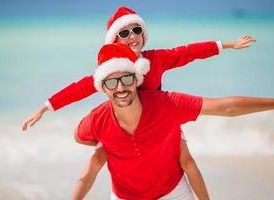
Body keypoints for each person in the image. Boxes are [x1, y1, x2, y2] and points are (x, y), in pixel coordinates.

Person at [22, 6, 256, 200]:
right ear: (114, 40)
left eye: (136, 29)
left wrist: (227, 44)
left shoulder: (156, 59)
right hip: (121, 124)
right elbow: (79, 89)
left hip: (160, 120)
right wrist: (45, 107)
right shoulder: (109, 71)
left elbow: (188, 52)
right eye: (123, 33)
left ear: (144, 34)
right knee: (100, 156)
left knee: (186, 160)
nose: (132, 36)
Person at [74, 43, 274, 200]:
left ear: (136, 80)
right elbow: (80, 140)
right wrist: (105, 144)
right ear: (103, 88)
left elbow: (226, 107)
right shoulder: (97, 120)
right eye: (111, 82)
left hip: (173, 192)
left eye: (126, 79)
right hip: (125, 196)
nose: (120, 88)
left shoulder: (166, 104)